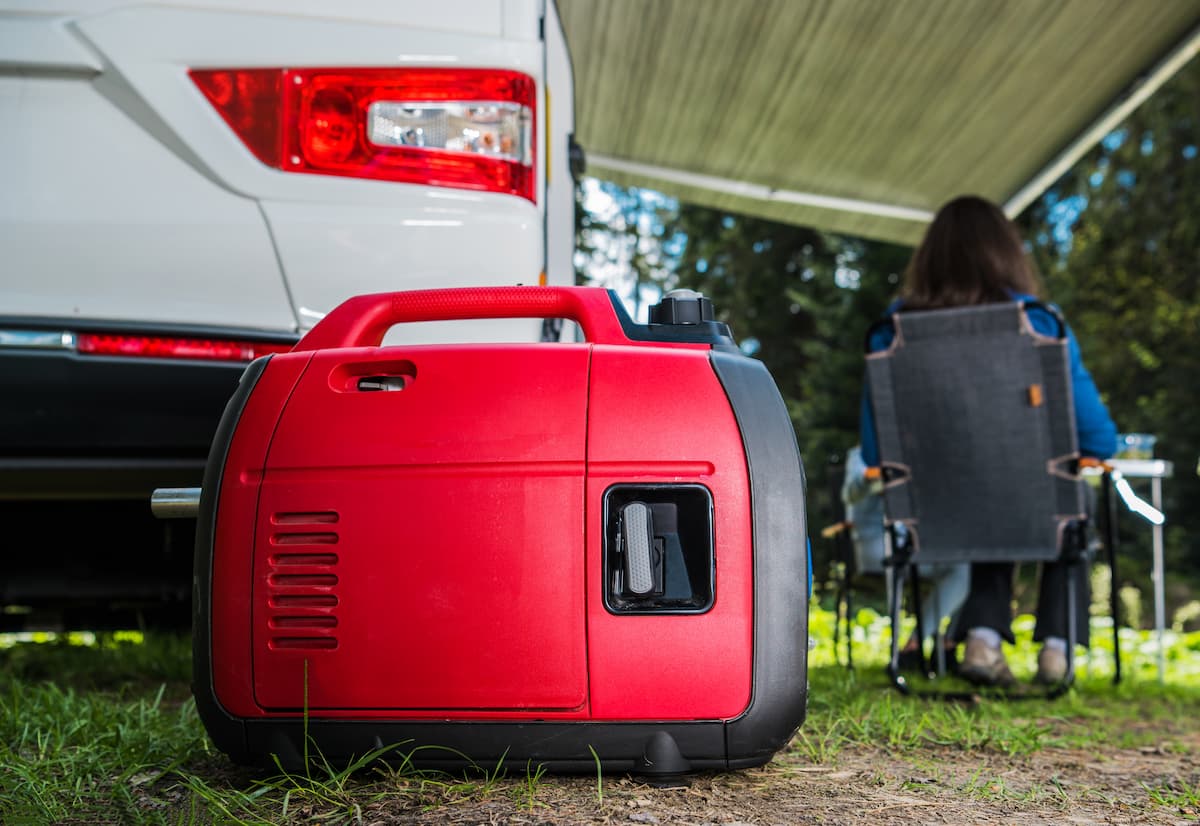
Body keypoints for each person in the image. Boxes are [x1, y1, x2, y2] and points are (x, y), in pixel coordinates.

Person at [859, 195, 1117, 687]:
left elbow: (877, 451)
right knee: (1065, 502)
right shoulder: (1039, 323)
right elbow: (1098, 439)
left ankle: (982, 637)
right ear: (1007, 253)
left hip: (932, 508)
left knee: (988, 498)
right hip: (1027, 498)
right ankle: (1056, 650)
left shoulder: (890, 332)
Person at [841, 445, 968, 672]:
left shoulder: (914, 454)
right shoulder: (861, 454)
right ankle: (914, 646)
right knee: (959, 567)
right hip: (875, 546)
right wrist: (872, 479)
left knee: (963, 563)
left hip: (911, 546)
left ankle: (942, 645)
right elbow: (849, 494)